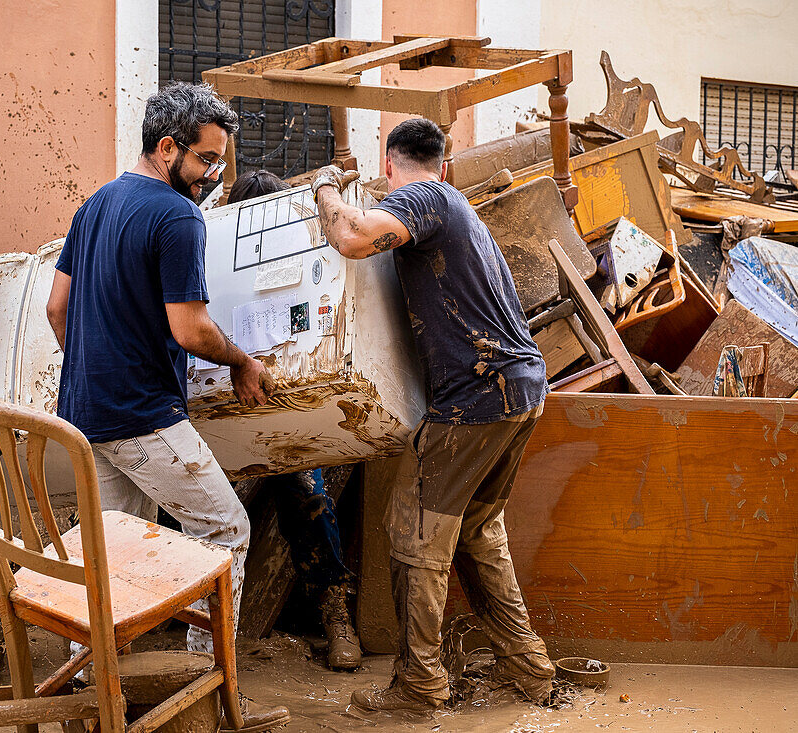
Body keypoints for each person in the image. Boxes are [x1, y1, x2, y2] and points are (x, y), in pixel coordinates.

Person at [46, 81, 289, 732]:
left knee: (109, 556)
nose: (214, 175)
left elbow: (56, 309)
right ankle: (207, 698)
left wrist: (95, 367)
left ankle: (90, 705)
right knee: (226, 530)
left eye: (220, 163)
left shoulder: (95, 204)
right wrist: (242, 361)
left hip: (85, 415)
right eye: (207, 160)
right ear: (166, 148)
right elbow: (190, 329)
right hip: (143, 414)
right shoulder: (177, 215)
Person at [311, 118, 556, 712]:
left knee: (413, 536)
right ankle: (531, 673)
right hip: (517, 390)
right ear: (444, 161)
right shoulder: (453, 202)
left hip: (476, 397)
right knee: (476, 530)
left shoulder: (425, 198)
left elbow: (351, 239)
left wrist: (326, 190)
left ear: (389, 162)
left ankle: (421, 686)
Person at [226, 169, 361, 671]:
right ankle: (197, 615)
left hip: (281, 403)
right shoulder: (212, 253)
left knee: (308, 493)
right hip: (219, 399)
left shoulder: (304, 256)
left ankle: (335, 613)